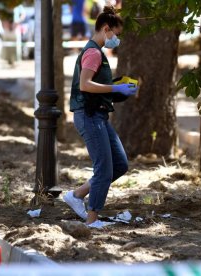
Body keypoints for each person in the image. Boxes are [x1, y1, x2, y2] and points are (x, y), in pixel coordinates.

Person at [63, 6, 137, 226]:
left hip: (99, 116)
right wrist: (115, 90)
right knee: (103, 169)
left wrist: (118, 88)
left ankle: (76, 195)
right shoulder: (93, 52)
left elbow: (96, 86)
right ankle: (92, 220)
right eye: (117, 34)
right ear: (107, 29)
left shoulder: (98, 52)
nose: (117, 39)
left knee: (119, 164)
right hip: (89, 116)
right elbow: (85, 85)